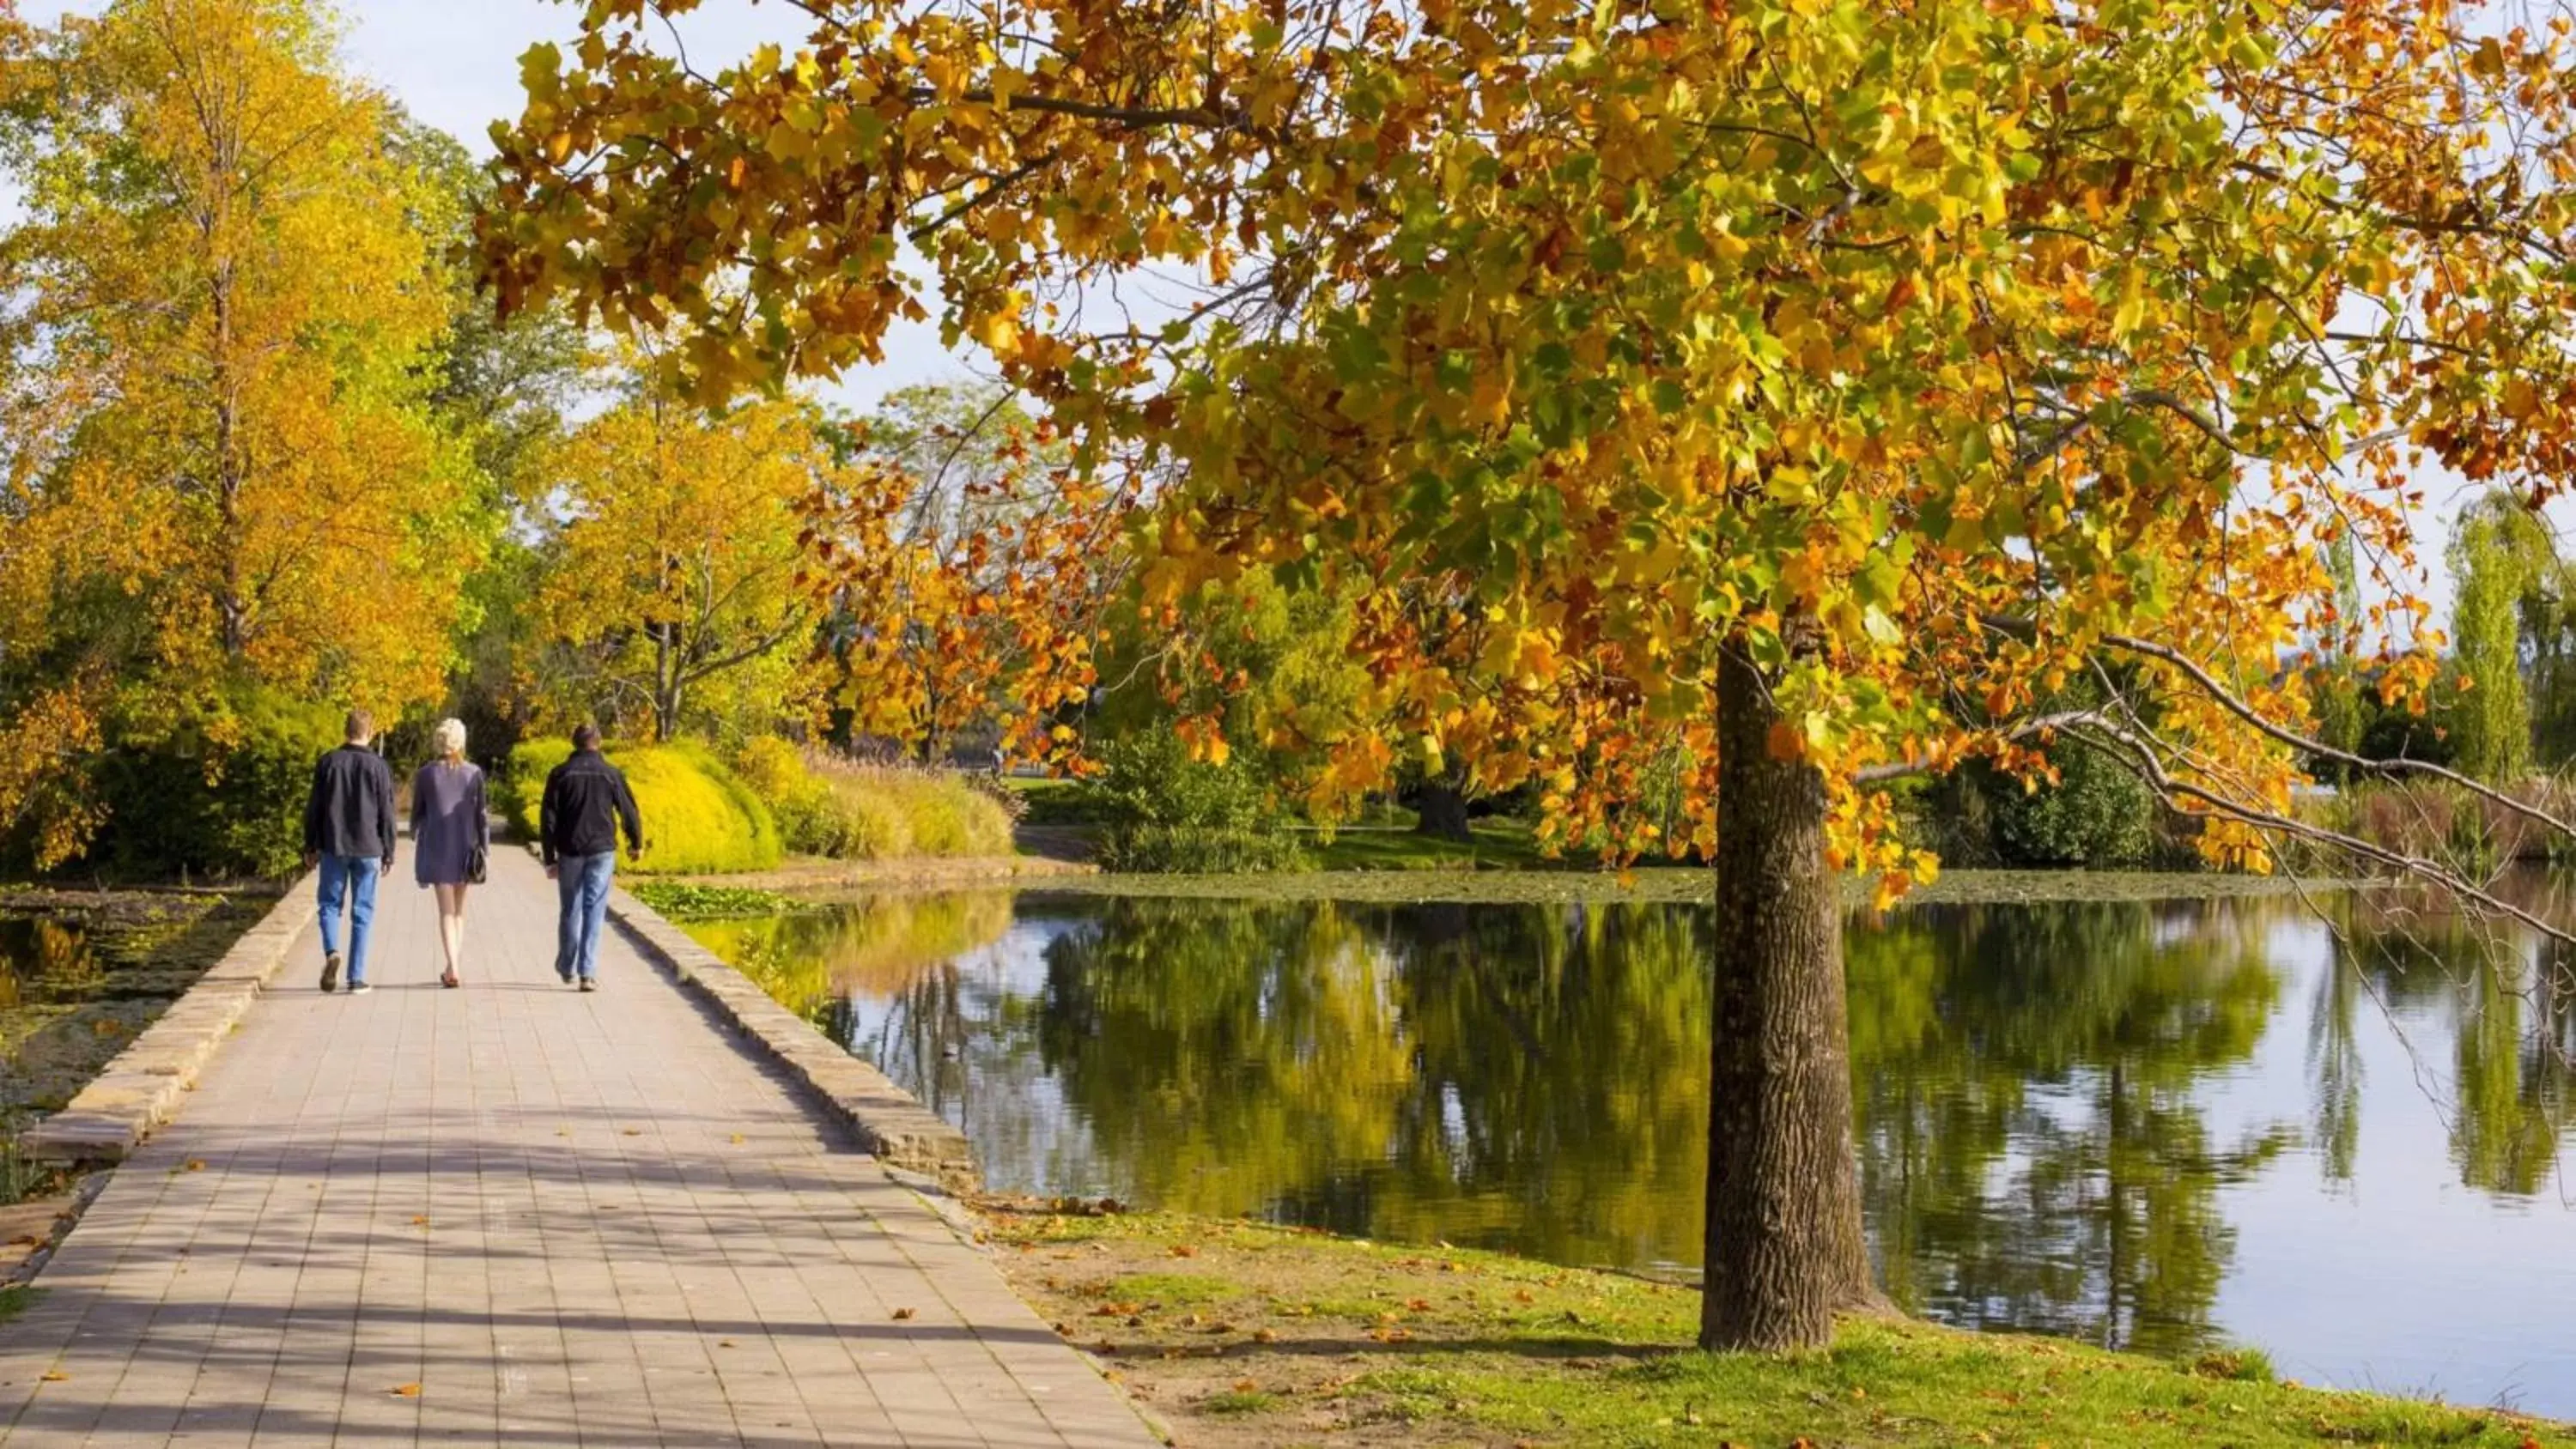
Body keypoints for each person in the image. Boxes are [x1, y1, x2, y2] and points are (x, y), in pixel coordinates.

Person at [538, 724, 642, 992]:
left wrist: (549, 858)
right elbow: (629, 811)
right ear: (599, 743)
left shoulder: (559, 774)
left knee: (570, 907)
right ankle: (588, 972)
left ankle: (567, 967)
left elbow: (548, 819)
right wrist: (635, 842)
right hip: (601, 849)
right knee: (594, 908)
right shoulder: (611, 774)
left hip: (570, 848)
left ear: (574, 743)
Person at [302, 709, 397, 996]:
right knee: (363, 911)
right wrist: (389, 850)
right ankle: (356, 978)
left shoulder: (328, 762)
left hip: (334, 844)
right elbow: (387, 812)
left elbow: (314, 809)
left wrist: (310, 845)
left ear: (346, 730)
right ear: (371, 731)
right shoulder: (379, 767)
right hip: (368, 847)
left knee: (330, 904)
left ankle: (332, 951)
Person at [410, 718, 489, 990]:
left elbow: (418, 812)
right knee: (458, 911)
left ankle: (452, 967)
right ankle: (452, 965)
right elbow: (482, 815)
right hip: (466, 846)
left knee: (445, 910)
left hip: (437, 845)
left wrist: (413, 832)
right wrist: (485, 847)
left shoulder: (426, 774)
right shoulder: (474, 773)